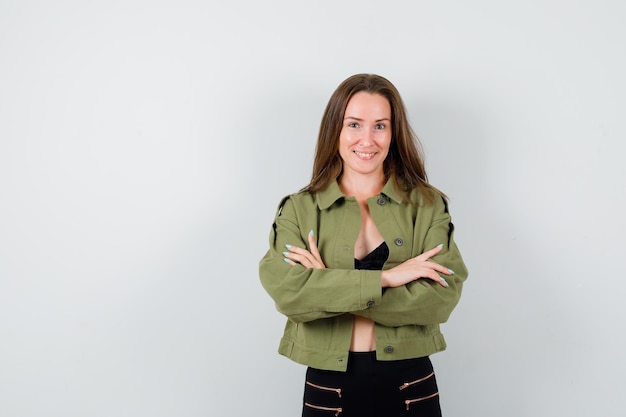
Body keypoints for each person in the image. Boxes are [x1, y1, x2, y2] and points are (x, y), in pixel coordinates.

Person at [259, 74, 468, 417]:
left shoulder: (427, 206)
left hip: (411, 386)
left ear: (393, 132)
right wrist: (388, 278)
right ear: (335, 130)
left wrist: (328, 286)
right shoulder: (299, 209)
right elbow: (289, 295)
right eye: (354, 124)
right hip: (330, 388)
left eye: (380, 126)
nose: (367, 139)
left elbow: (439, 300)